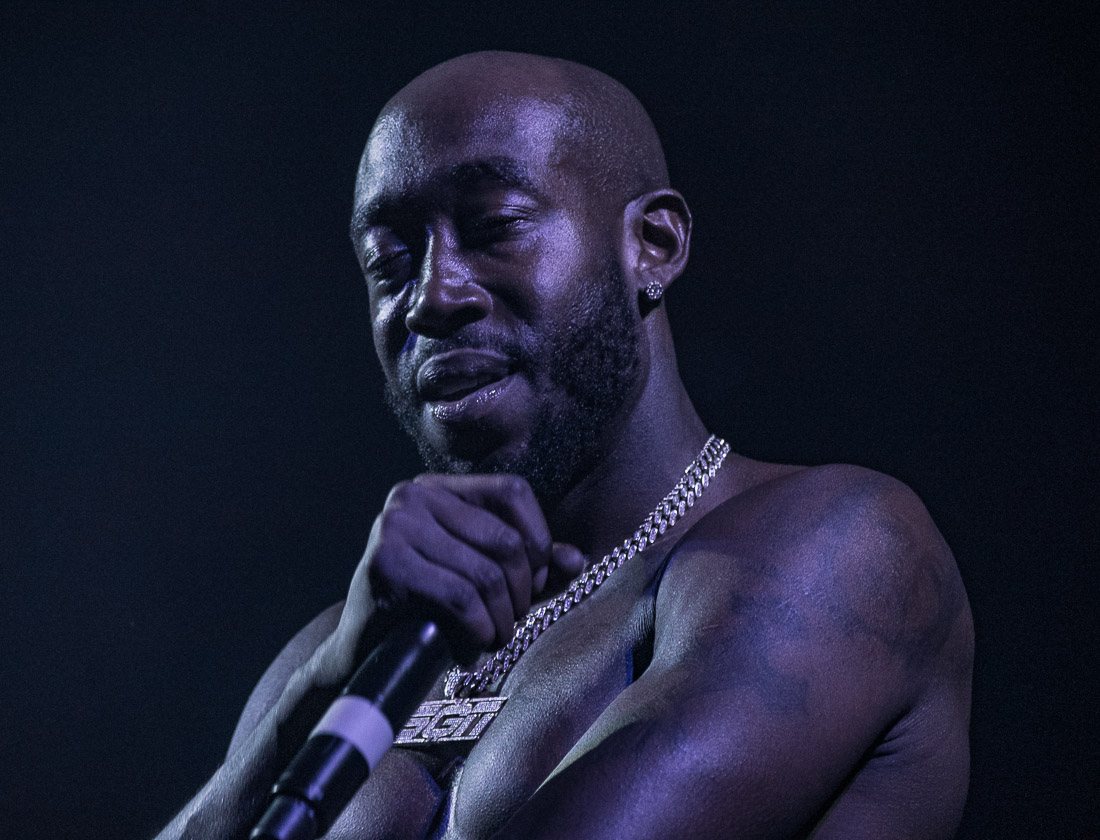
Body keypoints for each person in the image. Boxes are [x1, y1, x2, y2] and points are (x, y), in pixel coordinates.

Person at [158, 51, 973, 840]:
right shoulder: (333, 649)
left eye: (495, 227)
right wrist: (331, 680)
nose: (432, 296)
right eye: (390, 261)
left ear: (652, 245)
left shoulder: (842, 546)